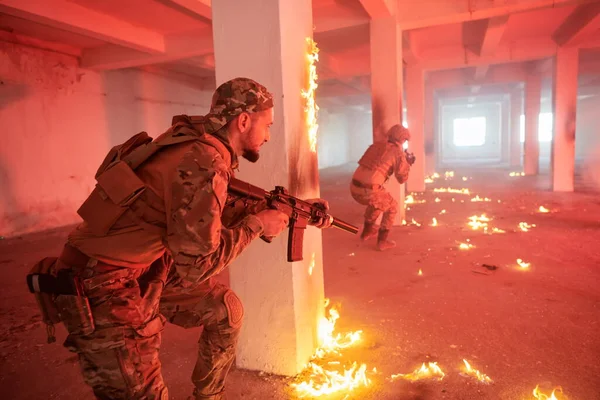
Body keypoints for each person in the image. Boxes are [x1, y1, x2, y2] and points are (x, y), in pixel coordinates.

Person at [48, 77, 332, 400]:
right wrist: (256, 225)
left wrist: (296, 210)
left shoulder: (197, 144)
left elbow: (207, 212)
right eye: (266, 125)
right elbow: (197, 266)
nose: (268, 135)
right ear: (243, 121)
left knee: (225, 311)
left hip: (143, 268)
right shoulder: (204, 163)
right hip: (101, 282)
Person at [350, 124, 413, 251]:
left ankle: (367, 232)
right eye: (405, 140)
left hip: (354, 188)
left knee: (380, 202)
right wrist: (408, 163)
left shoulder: (375, 146)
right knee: (392, 207)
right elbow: (402, 179)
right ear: (402, 139)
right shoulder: (398, 153)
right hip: (368, 191)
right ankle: (382, 242)